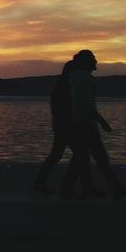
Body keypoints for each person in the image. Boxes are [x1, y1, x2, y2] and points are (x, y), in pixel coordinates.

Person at [60, 50, 126, 200]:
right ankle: (114, 188)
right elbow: (86, 105)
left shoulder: (73, 78)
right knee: (99, 157)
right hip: (84, 124)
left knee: (82, 157)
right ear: (86, 62)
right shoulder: (85, 78)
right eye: (93, 59)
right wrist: (102, 121)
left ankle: (81, 188)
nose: (96, 61)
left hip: (77, 123)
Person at [32, 61, 77, 194]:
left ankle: (40, 183)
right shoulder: (66, 86)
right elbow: (62, 108)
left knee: (56, 154)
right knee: (78, 154)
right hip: (65, 125)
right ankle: (68, 187)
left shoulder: (61, 84)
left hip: (60, 124)